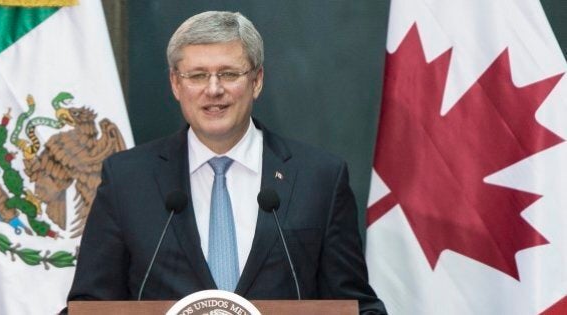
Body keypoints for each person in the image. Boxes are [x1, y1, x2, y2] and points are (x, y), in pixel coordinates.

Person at [66, 11, 387, 314]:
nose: (214, 89)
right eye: (197, 75)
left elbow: (353, 306)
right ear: (176, 84)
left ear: (257, 80)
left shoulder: (319, 178)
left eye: (229, 74)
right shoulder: (127, 179)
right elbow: (91, 305)